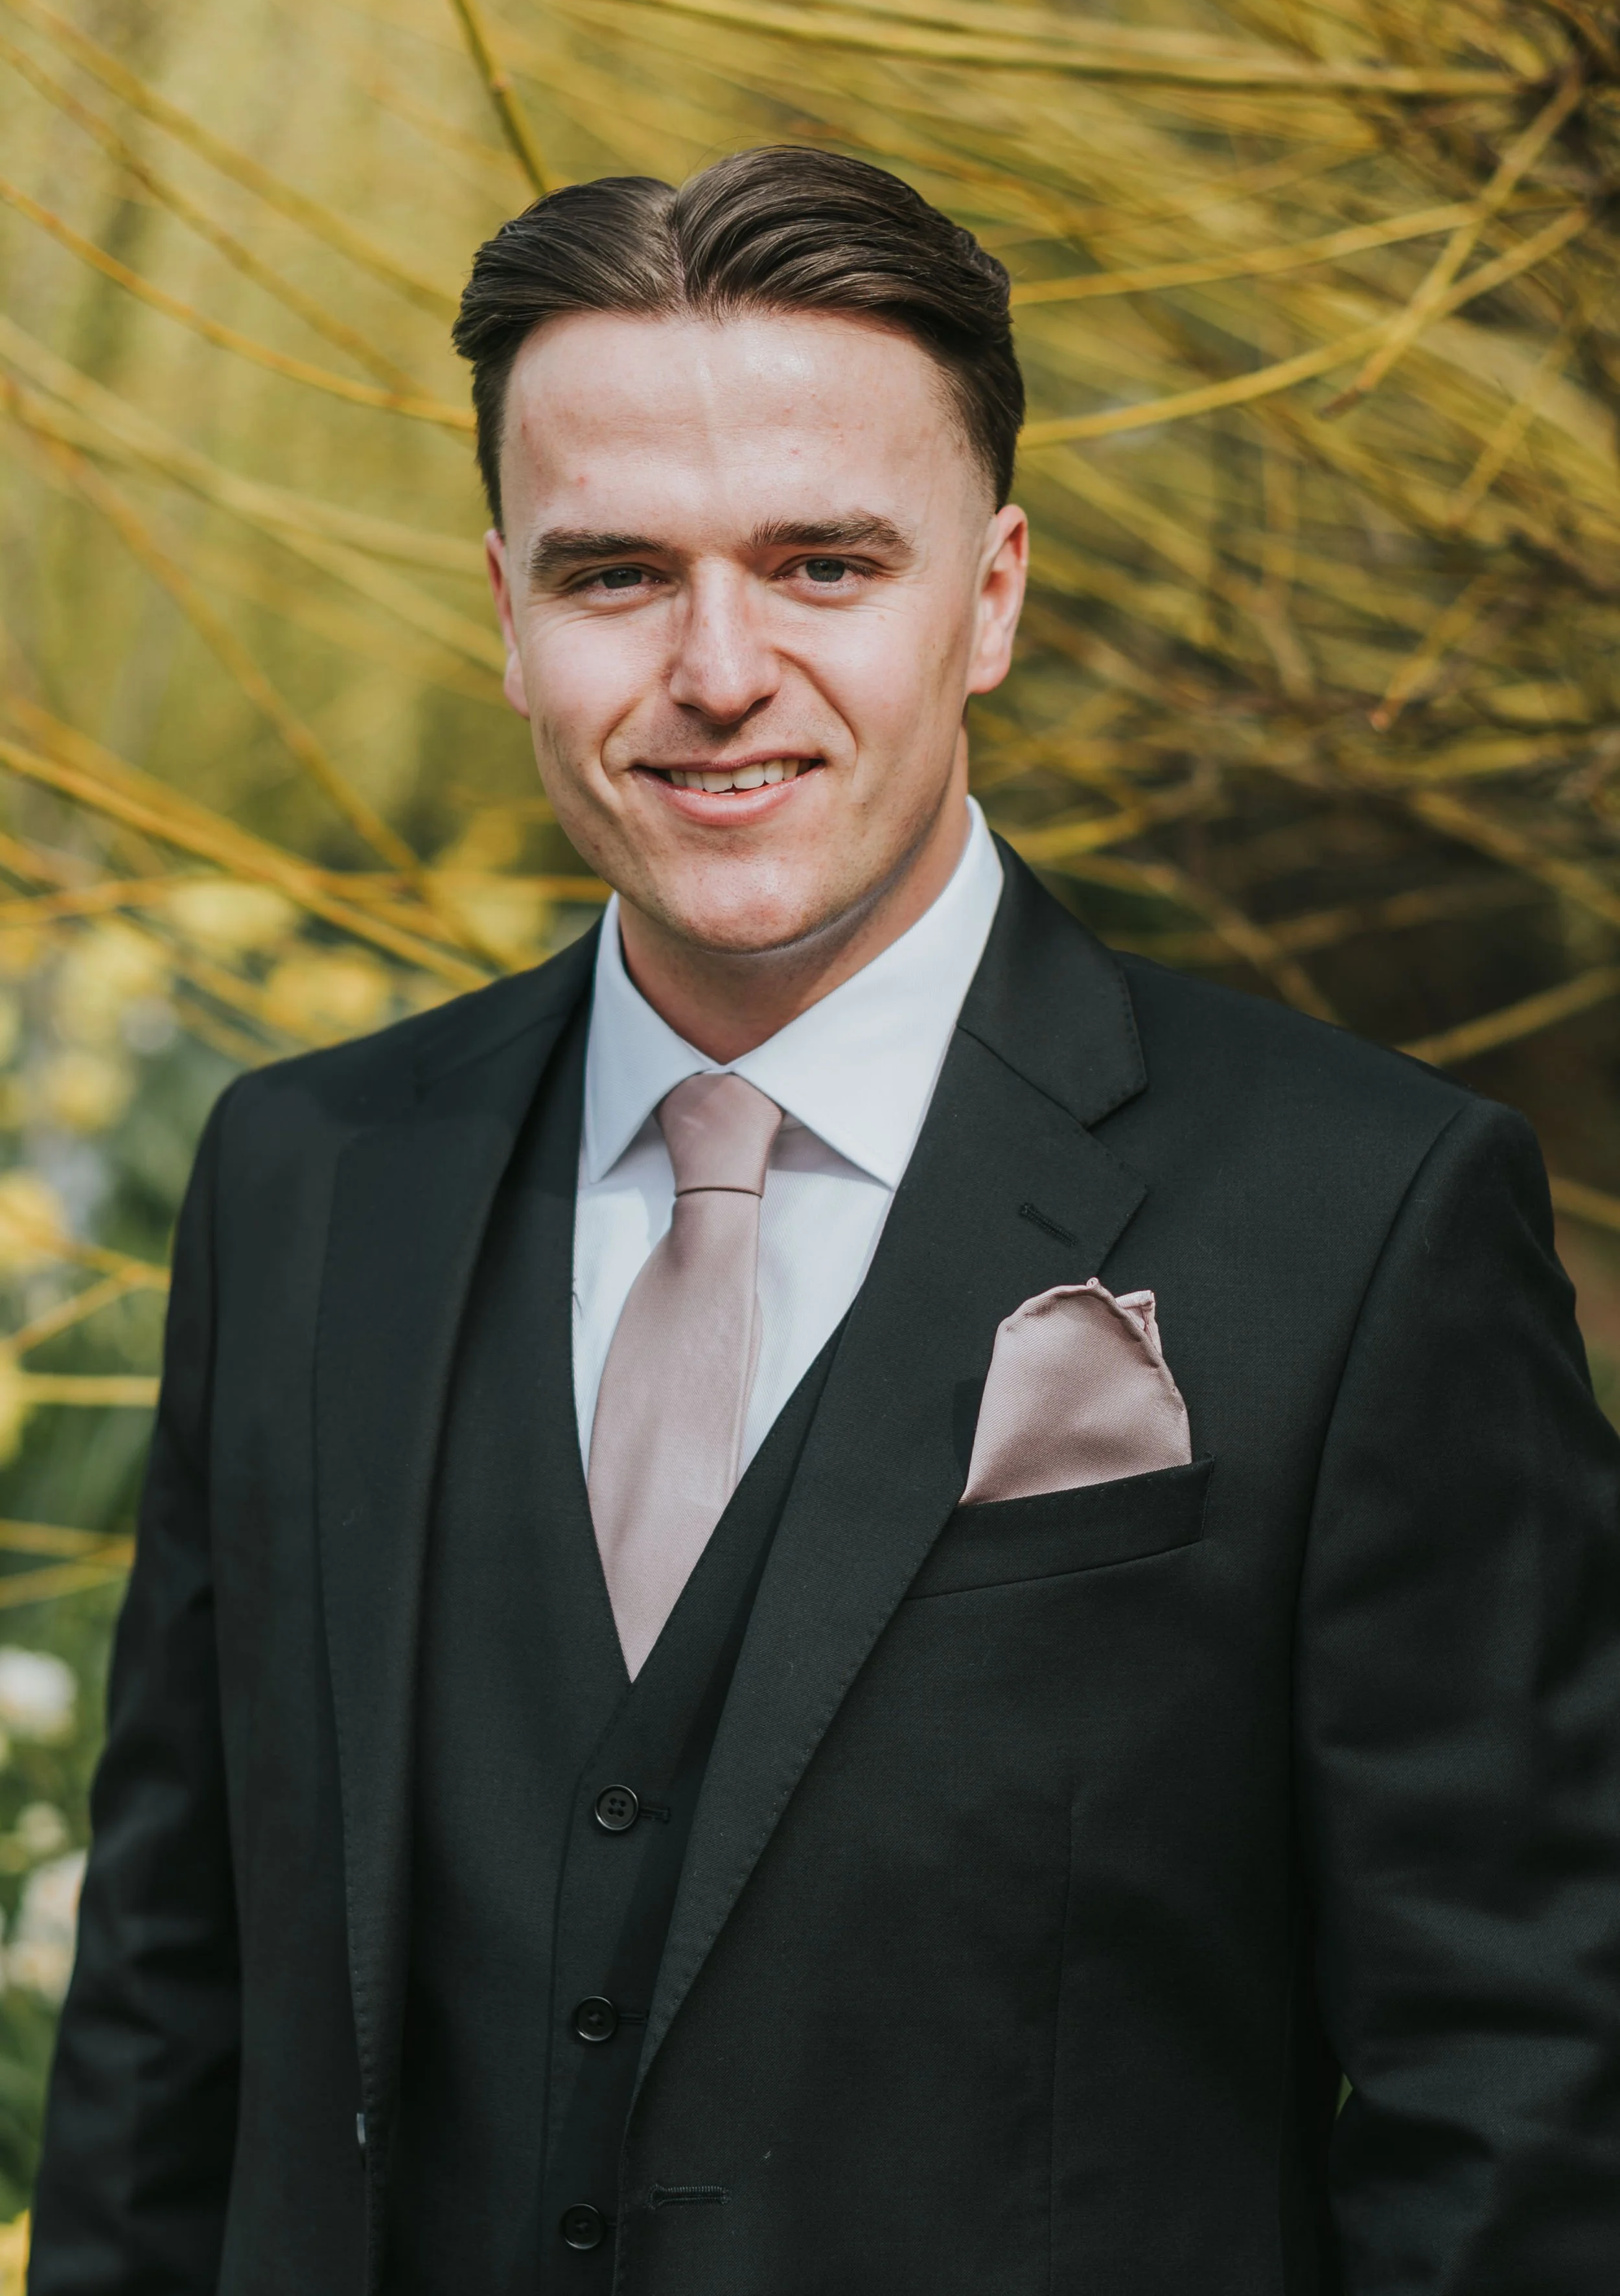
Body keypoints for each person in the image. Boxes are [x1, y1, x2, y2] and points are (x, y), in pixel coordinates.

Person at [29, 148, 1620, 2296]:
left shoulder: (1360, 1211)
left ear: (988, 595)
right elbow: (168, 2014)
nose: (716, 666)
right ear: (504, 610)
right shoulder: (308, 1177)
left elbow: (1517, 2084)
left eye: (821, 562)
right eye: (616, 575)